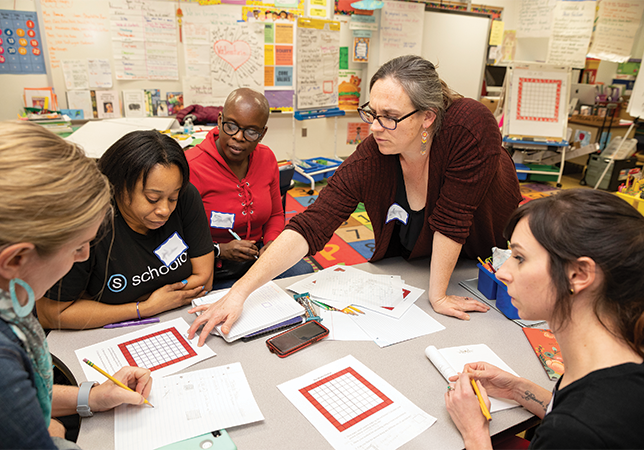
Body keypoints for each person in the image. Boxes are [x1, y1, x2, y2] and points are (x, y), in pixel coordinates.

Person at [188, 55, 521, 345]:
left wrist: (437, 295)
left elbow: (453, 218)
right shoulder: (373, 156)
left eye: (389, 116)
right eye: (371, 113)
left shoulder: (468, 125)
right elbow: (311, 223)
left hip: (483, 261)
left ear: (427, 116)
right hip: (417, 266)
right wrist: (239, 293)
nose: (375, 128)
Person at [445, 189, 644, 450]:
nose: (502, 272)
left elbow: (578, 428)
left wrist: (475, 433)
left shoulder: (574, 431)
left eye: (519, 258)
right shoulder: (622, 354)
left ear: (578, 274)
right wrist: (517, 389)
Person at [0, 121, 153, 449]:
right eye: (77, 247)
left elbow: (25, 394)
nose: (84, 256)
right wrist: (46, 436)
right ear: (14, 261)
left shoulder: (10, 304)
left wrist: (95, 396)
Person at [36, 130, 214, 330]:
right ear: (119, 186)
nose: (165, 210)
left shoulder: (186, 197)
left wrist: (106, 307)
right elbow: (51, 314)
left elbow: (204, 281)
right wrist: (144, 307)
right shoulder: (90, 221)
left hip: (176, 321)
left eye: (173, 198)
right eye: (152, 199)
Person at [186, 88, 312, 290]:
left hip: (257, 257)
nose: (239, 137)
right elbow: (177, 234)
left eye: (251, 131)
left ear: (262, 133)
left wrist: (270, 244)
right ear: (219, 120)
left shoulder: (266, 157)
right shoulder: (192, 166)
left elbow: (276, 213)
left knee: (303, 276)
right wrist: (220, 249)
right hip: (212, 265)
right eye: (231, 126)